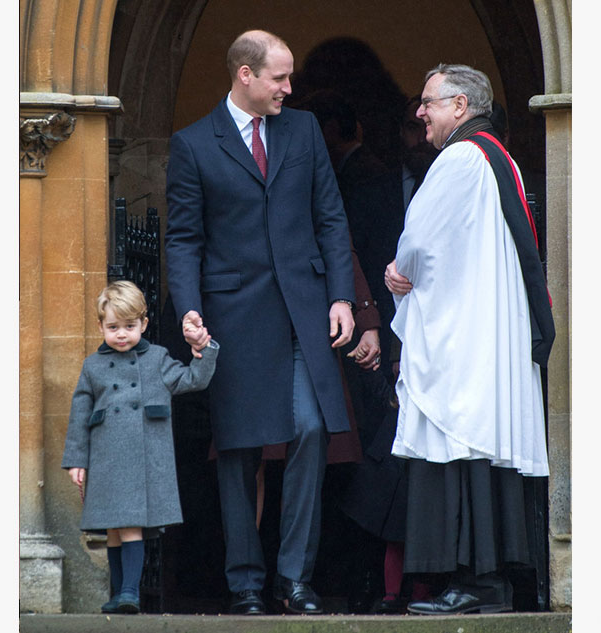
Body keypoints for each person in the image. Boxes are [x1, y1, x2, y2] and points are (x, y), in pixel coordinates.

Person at [164, 30, 355, 615]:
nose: (289, 88)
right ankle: (245, 581)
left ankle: (294, 577)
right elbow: (184, 239)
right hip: (234, 317)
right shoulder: (195, 144)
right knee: (240, 450)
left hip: (302, 312)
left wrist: (342, 297)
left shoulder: (304, 130)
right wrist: (189, 309)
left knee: (310, 429)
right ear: (245, 75)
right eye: (279, 78)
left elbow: (330, 216)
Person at [384, 64, 555, 615]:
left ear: (460, 106)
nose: (420, 113)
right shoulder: (495, 155)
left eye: (428, 102)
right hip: (489, 326)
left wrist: (395, 272)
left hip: (465, 335)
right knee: (483, 443)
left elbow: (418, 239)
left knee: (457, 436)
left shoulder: (458, 158)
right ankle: (491, 585)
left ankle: (472, 583)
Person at [61, 281, 219, 614]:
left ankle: (129, 592)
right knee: (114, 529)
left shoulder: (157, 358)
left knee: (130, 522)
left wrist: (203, 351)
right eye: (113, 327)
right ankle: (120, 593)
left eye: (129, 327)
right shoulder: (92, 367)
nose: (121, 334)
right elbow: (79, 414)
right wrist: (77, 460)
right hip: (106, 458)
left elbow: (193, 380)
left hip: (143, 457)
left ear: (144, 325)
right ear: (101, 326)